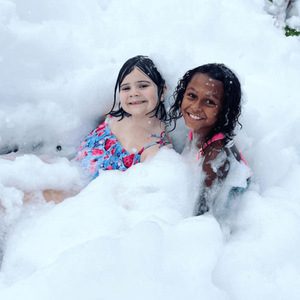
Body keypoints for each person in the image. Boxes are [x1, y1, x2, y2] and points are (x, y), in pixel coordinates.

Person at [168, 63, 251, 217]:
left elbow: (202, 215)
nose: (196, 107)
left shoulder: (216, 157)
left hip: (236, 212)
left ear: (224, 109)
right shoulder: (200, 132)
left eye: (209, 102)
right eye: (192, 96)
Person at [75, 55, 171, 180]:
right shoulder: (112, 114)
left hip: (90, 195)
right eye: (126, 88)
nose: (133, 93)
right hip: (69, 172)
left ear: (162, 91)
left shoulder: (157, 150)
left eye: (143, 86)